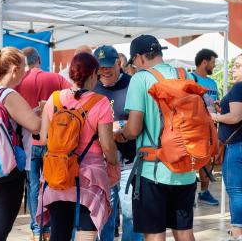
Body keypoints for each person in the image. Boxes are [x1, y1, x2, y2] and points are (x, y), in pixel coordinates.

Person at [118, 35, 197, 241]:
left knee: (154, 233)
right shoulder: (184, 74)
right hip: (186, 166)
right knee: (184, 231)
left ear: (138, 57)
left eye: (133, 62)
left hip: (152, 170)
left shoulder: (140, 78)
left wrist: (121, 134)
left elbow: (133, 129)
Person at [38, 52, 118, 241]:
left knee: (59, 232)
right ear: (92, 75)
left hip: (58, 173)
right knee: (86, 232)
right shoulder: (100, 102)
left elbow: (43, 138)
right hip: (89, 177)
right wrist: (114, 163)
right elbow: (107, 145)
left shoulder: (54, 99)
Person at [0, 47, 41, 241]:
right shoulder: (8, 95)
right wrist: (45, 111)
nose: (26, 71)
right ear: (14, 69)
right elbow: (36, 126)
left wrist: (32, 111)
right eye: (24, 67)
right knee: (0, 230)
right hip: (9, 171)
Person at [14, 47, 71, 241]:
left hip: (28, 140)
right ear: (39, 59)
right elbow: (72, 99)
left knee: (32, 186)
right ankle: (50, 224)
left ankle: (37, 227)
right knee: (52, 183)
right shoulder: (55, 78)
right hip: (53, 139)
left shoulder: (19, 81)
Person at [93, 46, 143, 241]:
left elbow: (142, 119)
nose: (104, 71)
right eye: (100, 67)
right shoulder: (93, 87)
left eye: (108, 66)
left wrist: (121, 126)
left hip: (130, 161)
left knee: (131, 214)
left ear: (119, 63)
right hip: (102, 160)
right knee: (104, 214)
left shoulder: (133, 85)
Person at [210, 54, 242, 241]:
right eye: (233, 65)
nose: (233, 69)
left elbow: (237, 117)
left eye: (238, 65)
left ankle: (237, 232)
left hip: (237, 145)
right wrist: (223, 111)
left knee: (235, 190)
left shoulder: (239, 87)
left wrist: (214, 117)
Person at [193, 49, 220, 206]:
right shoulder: (191, 79)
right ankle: (189, 192)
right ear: (204, 62)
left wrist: (218, 106)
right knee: (192, 160)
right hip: (194, 127)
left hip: (210, 127)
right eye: (212, 62)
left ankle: (204, 192)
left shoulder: (213, 83)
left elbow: (213, 103)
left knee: (207, 160)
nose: (214, 66)